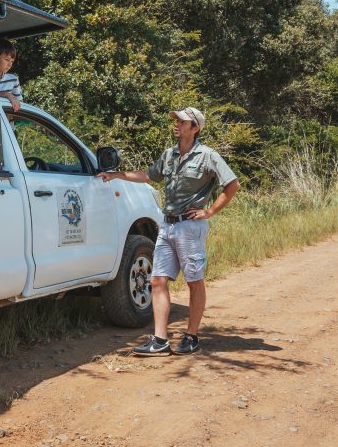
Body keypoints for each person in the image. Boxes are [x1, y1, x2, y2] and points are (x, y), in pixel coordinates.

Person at [97, 107, 240, 356]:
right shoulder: (170, 154)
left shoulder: (208, 156)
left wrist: (210, 211)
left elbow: (232, 185)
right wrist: (117, 175)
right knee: (157, 280)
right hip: (167, 224)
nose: (177, 125)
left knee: (194, 282)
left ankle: (191, 336)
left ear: (195, 128)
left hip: (190, 227)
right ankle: (160, 340)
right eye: (176, 121)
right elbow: (149, 175)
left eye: (182, 122)